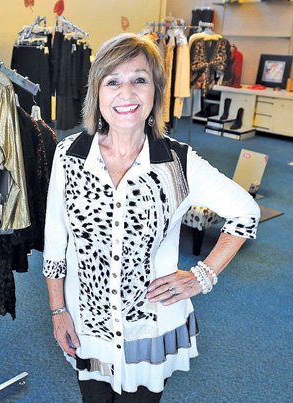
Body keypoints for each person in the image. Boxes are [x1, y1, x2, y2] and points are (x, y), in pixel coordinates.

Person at [43, 33, 260, 402]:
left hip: (149, 327)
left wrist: (201, 277)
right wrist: (57, 311)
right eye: (113, 81)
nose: (125, 93)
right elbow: (55, 241)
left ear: (155, 91)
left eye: (139, 79)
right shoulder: (70, 154)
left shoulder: (177, 162)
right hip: (87, 324)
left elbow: (246, 213)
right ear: (97, 93)